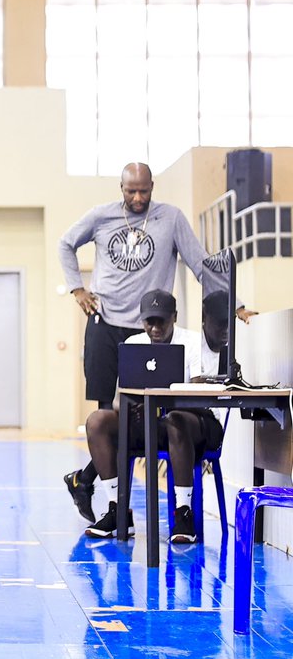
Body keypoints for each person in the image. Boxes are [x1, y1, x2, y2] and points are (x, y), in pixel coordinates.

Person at [58, 161, 235, 517]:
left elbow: (200, 263)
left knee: (143, 412)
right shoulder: (101, 215)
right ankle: (114, 504)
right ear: (121, 188)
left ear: (153, 186)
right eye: (131, 191)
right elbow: (65, 244)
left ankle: (85, 480)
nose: (138, 198)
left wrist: (236, 304)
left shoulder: (170, 218)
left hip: (149, 326)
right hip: (105, 322)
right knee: (106, 415)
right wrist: (77, 288)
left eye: (144, 191)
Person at [82, 290, 228, 543]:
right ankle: (118, 511)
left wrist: (163, 402)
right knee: (97, 421)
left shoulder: (193, 342)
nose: (156, 328)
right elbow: (117, 400)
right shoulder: (133, 345)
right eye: (150, 321)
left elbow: (199, 391)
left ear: (175, 317)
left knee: (176, 420)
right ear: (142, 320)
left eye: (162, 321)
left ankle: (184, 513)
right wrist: (132, 407)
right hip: (150, 422)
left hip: (192, 422)